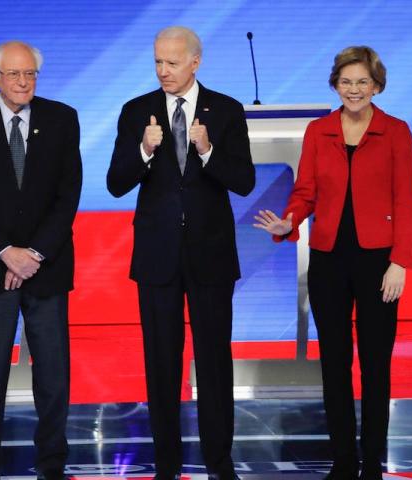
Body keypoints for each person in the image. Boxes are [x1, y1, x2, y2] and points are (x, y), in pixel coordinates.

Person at [253, 46, 412, 480]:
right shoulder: (318, 131)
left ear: (376, 85)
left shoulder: (396, 131)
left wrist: (400, 261)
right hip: (328, 260)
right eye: (346, 82)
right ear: (335, 85)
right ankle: (344, 460)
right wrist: (289, 221)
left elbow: (406, 202)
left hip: (379, 261)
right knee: (335, 362)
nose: (354, 89)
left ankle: (373, 463)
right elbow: (305, 191)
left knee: (376, 364)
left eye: (362, 82)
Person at [106, 26, 255, 480]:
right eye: (157, 62)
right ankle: (167, 465)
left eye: (172, 62)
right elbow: (116, 183)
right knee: (161, 364)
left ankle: (219, 462)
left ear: (196, 61)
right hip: (157, 257)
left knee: (213, 362)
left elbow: (244, 181)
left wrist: (208, 151)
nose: (163, 71)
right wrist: (144, 150)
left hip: (210, 256)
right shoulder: (137, 112)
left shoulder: (226, 111)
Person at [0, 40, 82, 480]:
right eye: (14, 75)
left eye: (31, 75)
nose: (23, 83)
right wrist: (7, 252)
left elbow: (68, 195)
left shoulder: (62, 119)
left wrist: (34, 254)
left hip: (47, 266)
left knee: (53, 376)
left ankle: (52, 463)